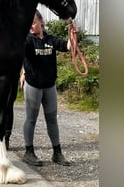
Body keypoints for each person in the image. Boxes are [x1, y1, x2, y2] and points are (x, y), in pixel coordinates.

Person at [20, 9, 73, 166]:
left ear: (41, 22)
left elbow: (68, 46)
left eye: (34, 22)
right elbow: (18, 51)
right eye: (29, 22)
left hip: (49, 87)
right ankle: (29, 152)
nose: (31, 25)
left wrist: (72, 35)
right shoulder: (28, 41)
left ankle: (57, 153)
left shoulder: (51, 39)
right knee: (31, 119)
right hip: (33, 86)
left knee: (52, 120)